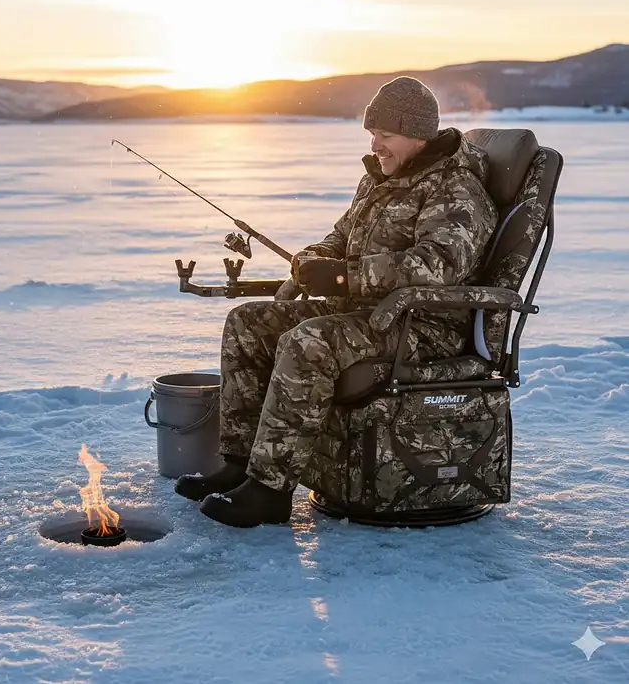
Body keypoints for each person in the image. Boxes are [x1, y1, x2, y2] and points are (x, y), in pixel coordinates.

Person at [175, 76, 499, 528]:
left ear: (416, 133)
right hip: (368, 315)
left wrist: (346, 275)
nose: (375, 144)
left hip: (424, 326)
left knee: (309, 342)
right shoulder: (379, 178)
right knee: (248, 323)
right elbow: (341, 237)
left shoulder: (455, 189)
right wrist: (317, 260)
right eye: (372, 133)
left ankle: (270, 490)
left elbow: (439, 266)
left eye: (384, 134)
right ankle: (240, 463)